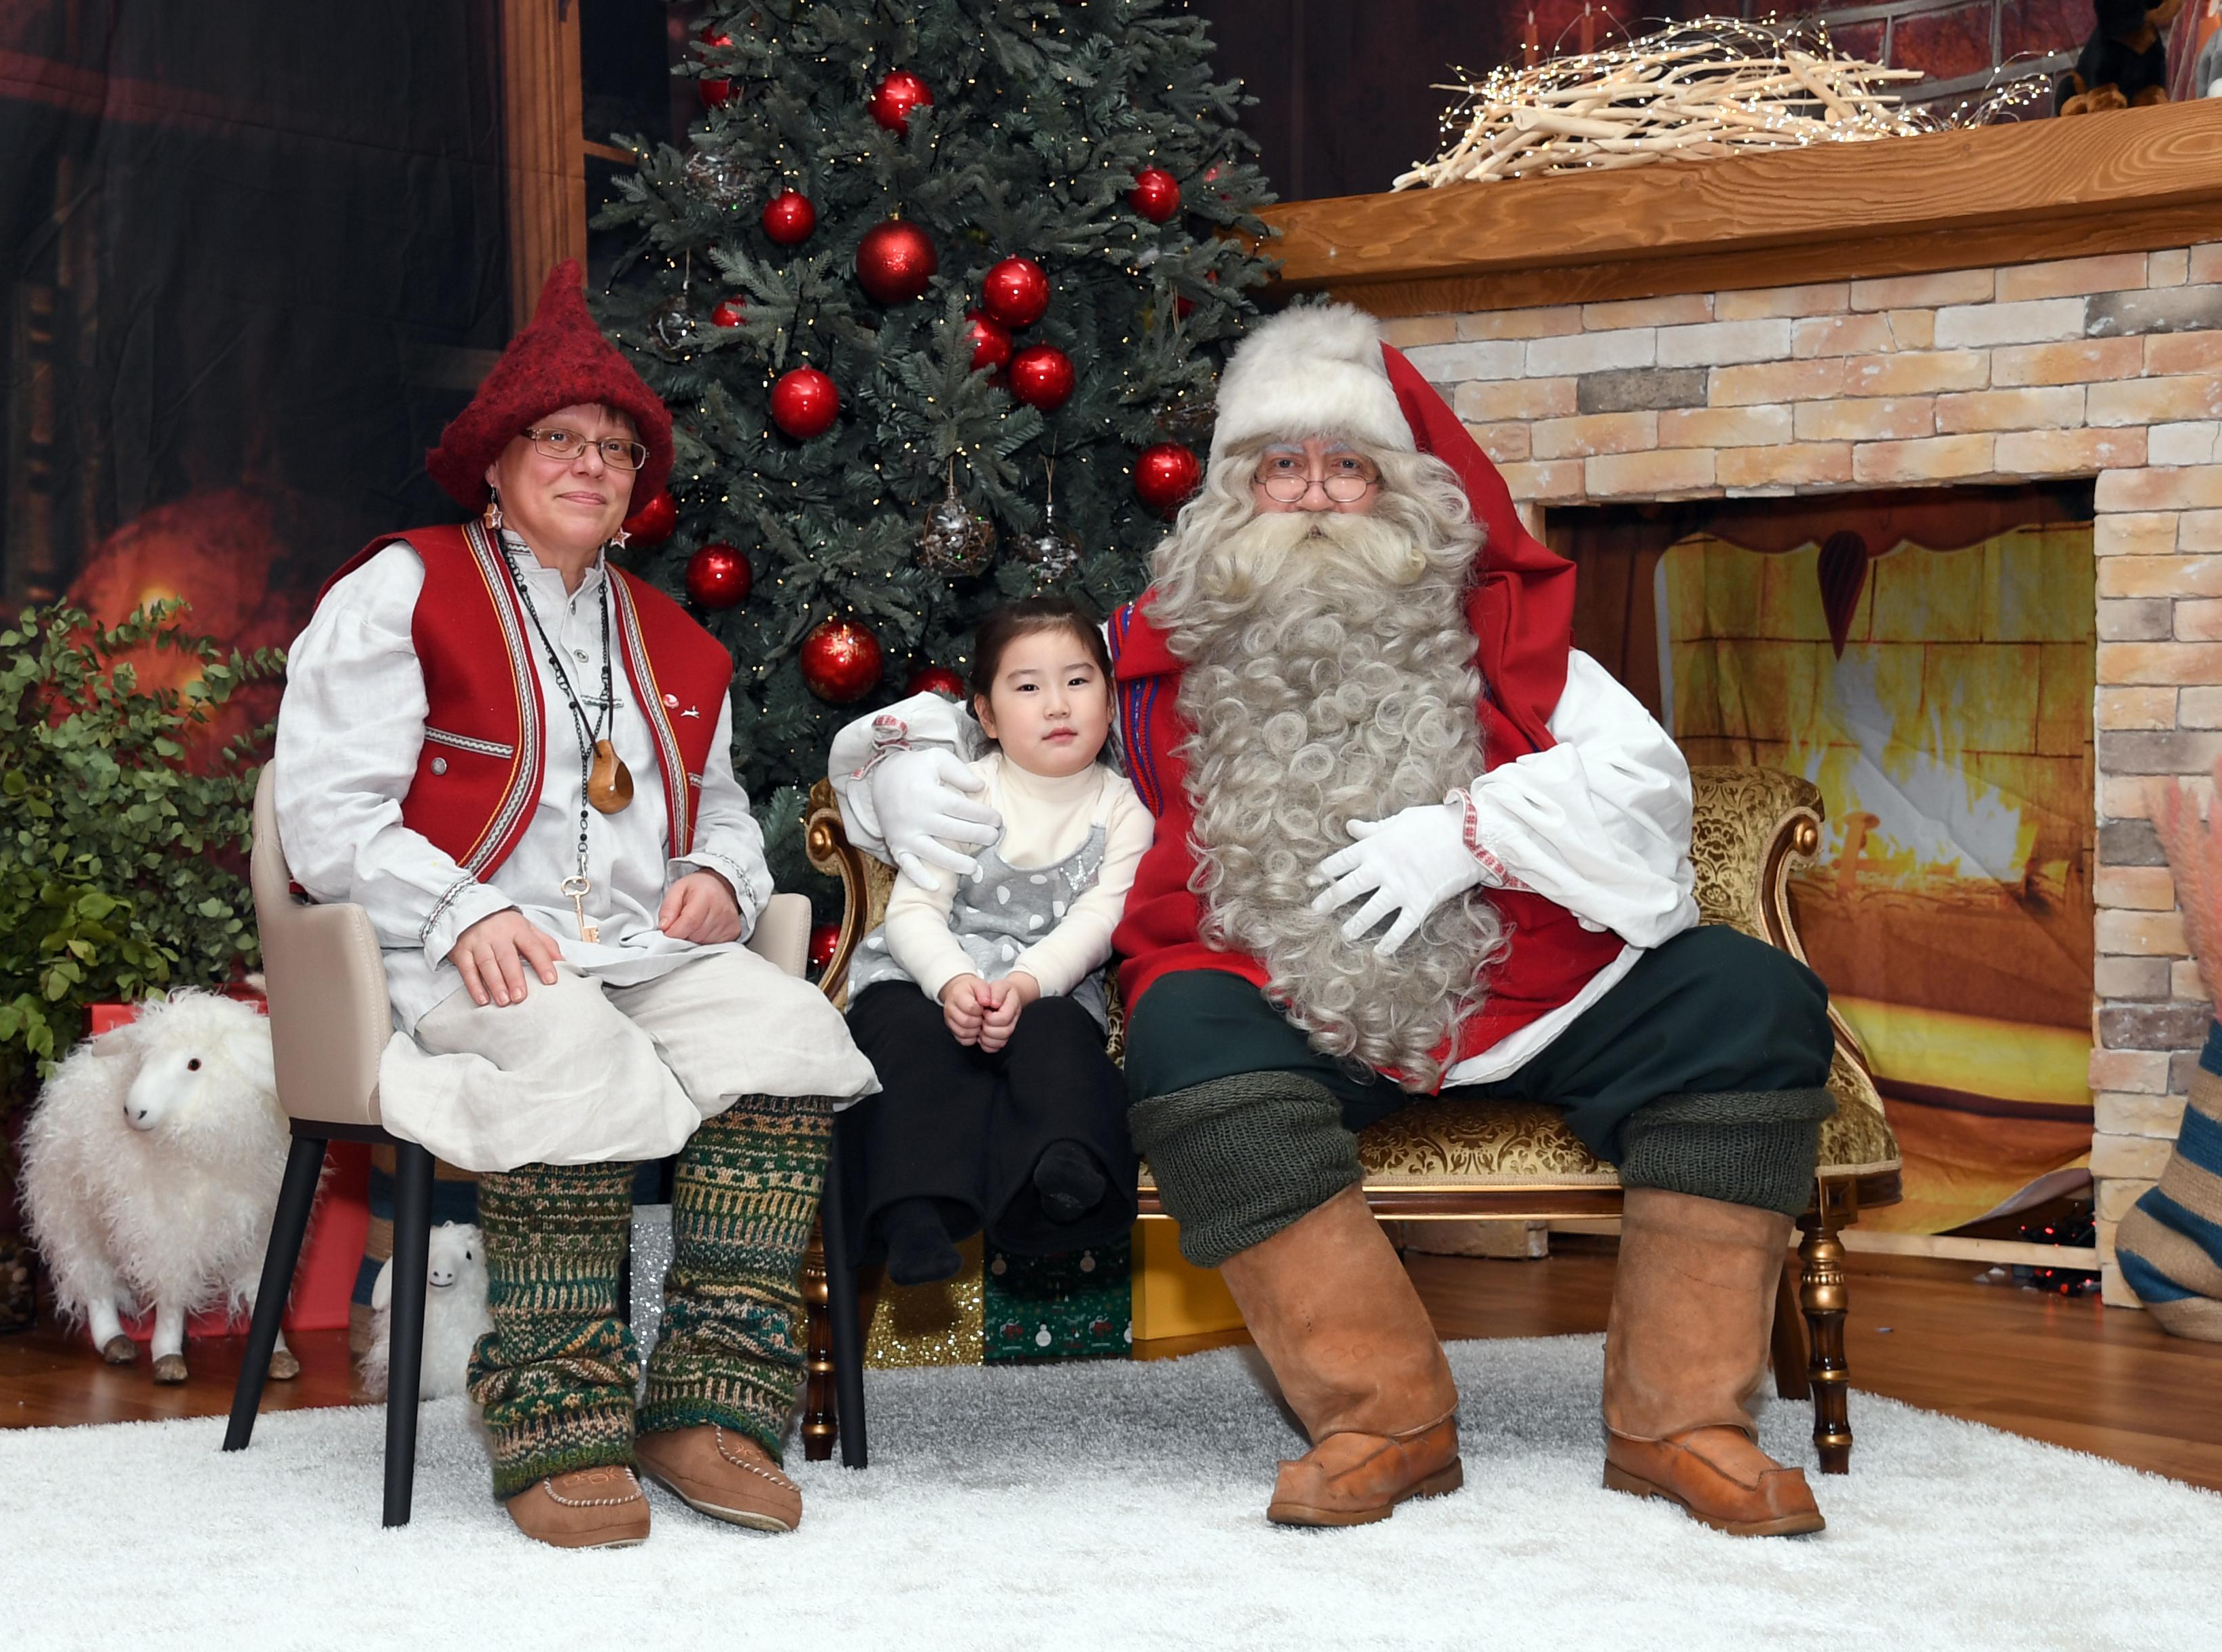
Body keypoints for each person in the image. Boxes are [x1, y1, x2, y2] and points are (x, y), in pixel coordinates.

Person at [829, 303, 1838, 1539]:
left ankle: (1680, 1421)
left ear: (1401, 489)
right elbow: (973, 698)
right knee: (1183, 1028)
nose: (1311, 495)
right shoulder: (1148, 648)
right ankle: (1383, 1415)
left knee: (1748, 998)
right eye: (1279, 465)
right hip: (1283, 1000)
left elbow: (1644, 786)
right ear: (1233, 494)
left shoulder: (1512, 635)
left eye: (1346, 466)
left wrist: (1469, 836)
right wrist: (897, 763)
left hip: (1530, 991)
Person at [276, 260, 877, 1551]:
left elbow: (717, 807)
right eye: (559, 438)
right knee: (565, 1044)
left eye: (615, 448)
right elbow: (326, 815)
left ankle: (709, 1405)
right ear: (494, 461)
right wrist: (458, 911)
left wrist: (720, 873)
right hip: (450, 954)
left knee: (785, 1040)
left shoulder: (674, 639)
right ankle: (555, 1412)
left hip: (631, 945)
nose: (590, 464)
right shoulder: (400, 589)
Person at [836, 598, 1153, 1286]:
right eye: (1028, 686)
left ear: (1109, 695)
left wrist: (1026, 982)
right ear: (985, 714)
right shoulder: (964, 788)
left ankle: (1065, 1165)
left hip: (1048, 980)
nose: (1057, 705)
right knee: (904, 1037)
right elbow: (916, 910)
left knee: (1060, 1041)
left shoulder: (1122, 807)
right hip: (931, 971)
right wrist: (952, 981)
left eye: (1078, 680)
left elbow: (1100, 919)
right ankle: (912, 1208)